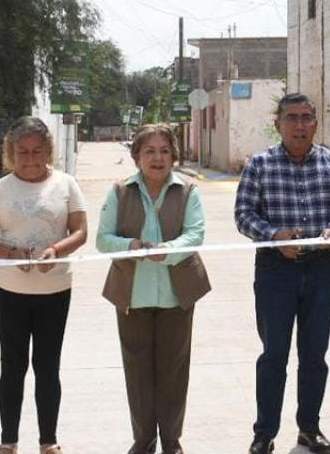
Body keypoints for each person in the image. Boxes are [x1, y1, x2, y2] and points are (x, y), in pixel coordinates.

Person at [235, 93, 330, 454]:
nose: (299, 125)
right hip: (275, 270)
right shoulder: (260, 165)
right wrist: (274, 237)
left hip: (320, 268)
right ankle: (264, 433)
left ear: (316, 124)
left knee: (314, 354)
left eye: (306, 118)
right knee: (274, 354)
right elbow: (244, 214)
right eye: (292, 118)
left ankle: (309, 428)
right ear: (278, 125)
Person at [0, 116, 88, 454]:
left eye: (37, 150)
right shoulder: (0, 189)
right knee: (12, 365)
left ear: (48, 150)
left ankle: (48, 441)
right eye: (22, 151)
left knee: (48, 367)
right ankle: (8, 441)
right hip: (10, 292)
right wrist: (12, 254)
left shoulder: (66, 185)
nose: (30, 158)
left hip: (55, 290)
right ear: (11, 153)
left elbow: (80, 232)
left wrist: (56, 250)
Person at [97, 124, 209, 454]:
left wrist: (168, 250)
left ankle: (172, 441)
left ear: (174, 156)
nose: (157, 158)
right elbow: (103, 240)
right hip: (132, 295)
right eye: (149, 151)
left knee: (174, 370)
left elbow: (196, 234)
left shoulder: (188, 191)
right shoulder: (120, 191)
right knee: (138, 371)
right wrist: (130, 245)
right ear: (136, 158)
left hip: (178, 296)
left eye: (164, 151)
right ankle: (143, 440)